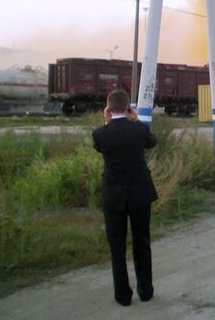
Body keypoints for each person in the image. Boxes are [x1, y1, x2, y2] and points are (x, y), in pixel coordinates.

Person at [92, 90, 158, 307]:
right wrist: (136, 119)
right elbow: (152, 142)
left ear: (108, 109)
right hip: (139, 195)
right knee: (142, 243)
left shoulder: (100, 134)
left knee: (117, 248)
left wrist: (107, 122)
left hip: (114, 197)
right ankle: (146, 291)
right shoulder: (139, 129)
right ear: (129, 107)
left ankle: (123, 296)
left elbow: (100, 147)